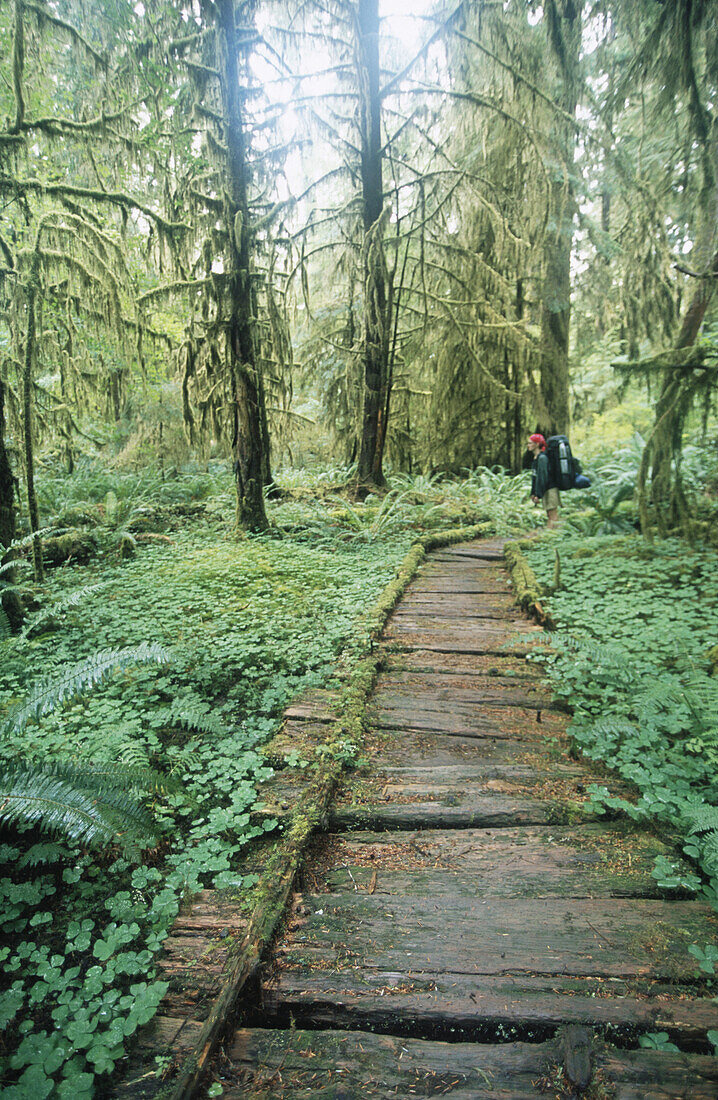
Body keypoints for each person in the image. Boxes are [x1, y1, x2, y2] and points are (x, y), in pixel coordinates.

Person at [527, 433, 559, 528]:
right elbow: (535, 477)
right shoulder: (536, 458)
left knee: (552, 514)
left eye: (530, 443)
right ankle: (551, 535)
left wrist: (538, 494)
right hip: (545, 489)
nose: (528, 445)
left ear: (537, 444)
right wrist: (533, 493)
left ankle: (552, 536)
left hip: (550, 488)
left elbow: (542, 477)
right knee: (549, 514)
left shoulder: (542, 458)